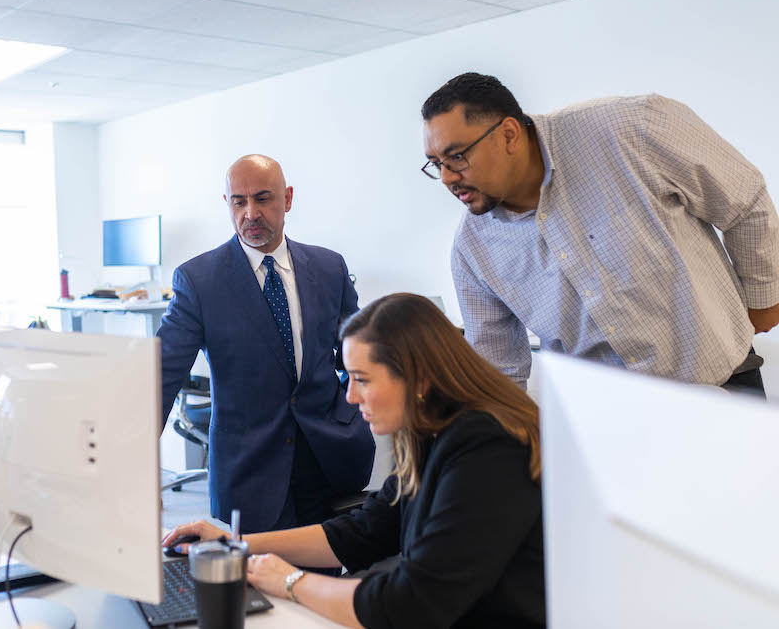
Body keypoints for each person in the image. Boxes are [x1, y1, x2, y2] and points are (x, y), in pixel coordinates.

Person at [163, 293, 544, 628]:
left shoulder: (489, 446)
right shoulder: (432, 431)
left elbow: (413, 603)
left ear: (420, 378)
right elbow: (366, 530)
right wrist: (238, 543)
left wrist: (289, 582)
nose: (350, 397)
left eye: (362, 379)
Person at [420, 72, 779, 395]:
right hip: (607, 425)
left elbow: (743, 200)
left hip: (722, 388)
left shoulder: (629, 128)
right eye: (437, 165)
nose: (449, 178)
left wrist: (764, 300)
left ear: (509, 134)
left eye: (457, 157)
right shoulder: (473, 249)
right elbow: (498, 374)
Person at [157, 154, 375, 534]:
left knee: (326, 573)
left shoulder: (329, 268)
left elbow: (358, 355)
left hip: (329, 457)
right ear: (227, 204)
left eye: (263, 198)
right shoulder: (198, 280)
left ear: (287, 199)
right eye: (239, 202)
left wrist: (356, 412)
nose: (250, 213)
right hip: (250, 470)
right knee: (261, 587)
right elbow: (160, 375)